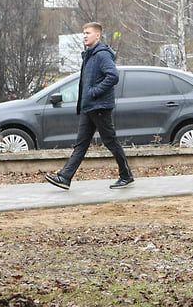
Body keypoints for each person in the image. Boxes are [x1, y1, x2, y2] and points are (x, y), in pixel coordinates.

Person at [44, 22, 135, 191]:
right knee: (81, 144)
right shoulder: (90, 55)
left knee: (110, 141)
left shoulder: (101, 55)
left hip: (99, 106)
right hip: (89, 107)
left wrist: (94, 92)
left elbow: (113, 76)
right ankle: (64, 177)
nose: (84, 36)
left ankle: (126, 176)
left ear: (97, 36)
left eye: (88, 33)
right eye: (83, 33)